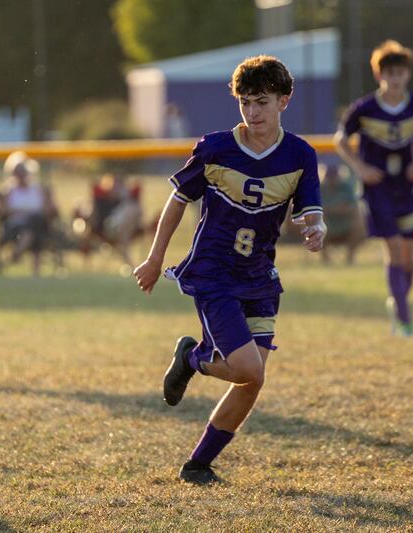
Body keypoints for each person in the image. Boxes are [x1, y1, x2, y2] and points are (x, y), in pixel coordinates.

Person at [134, 56, 325, 485]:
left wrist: (316, 229)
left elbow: (312, 211)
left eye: (261, 102)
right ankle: (194, 357)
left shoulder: (299, 155)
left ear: (284, 101)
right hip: (214, 273)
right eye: (244, 103)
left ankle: (198, 464)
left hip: (260, 276)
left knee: (251, 381)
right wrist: (155, 257)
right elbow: (178, 200)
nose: (252, 113)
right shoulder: (216, 147)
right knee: (248, 369)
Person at [334, 40, 413, 337]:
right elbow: (341, 141)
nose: (395, 78)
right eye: (389, 72)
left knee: (408, 256)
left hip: (406, 187)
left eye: (400, 72)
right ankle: (404, 320)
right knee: (393, 249)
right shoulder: (364, 109)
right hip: (377, 188)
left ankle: (398, 301)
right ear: (379, 75)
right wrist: (361, 169)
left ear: (407, 74)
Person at [0, 151, 57, 276]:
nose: (21, 175)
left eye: (23, 172)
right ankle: (23, 255)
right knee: (31, 229)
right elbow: (3, 210)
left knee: (35, 223)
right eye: (18, 172)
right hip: (15, 225)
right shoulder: (8, 190)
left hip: (37, 222)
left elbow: (48, 209)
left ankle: (17, 253)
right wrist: (22, 211)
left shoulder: (37, 189)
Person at [319, 163, 365, 265]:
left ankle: (350, 259)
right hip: (327, 226)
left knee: (358, 226)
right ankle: (326, 261)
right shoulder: (319, 188)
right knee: (316, 227)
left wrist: (340, 209)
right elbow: (315, 209)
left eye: (333, 176)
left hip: (345, 225)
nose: (331, 179)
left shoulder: (346, 187)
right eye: (329, 176)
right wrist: (333, 209)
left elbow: (353, 206)